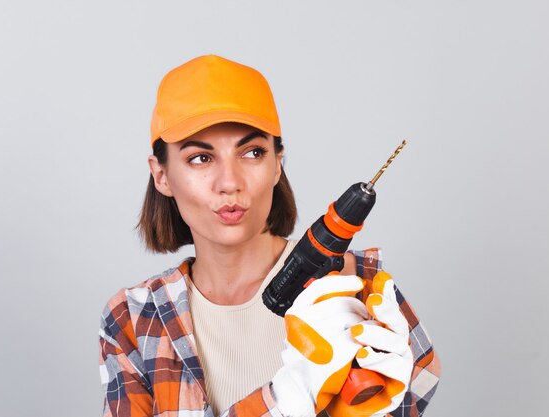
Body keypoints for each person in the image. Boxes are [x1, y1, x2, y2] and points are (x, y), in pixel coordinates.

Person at [98, 55, 440, 417]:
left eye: (252, 152)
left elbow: (418, 388)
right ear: (161, 175)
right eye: (200, 158)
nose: (230, 182)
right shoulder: (135, 319)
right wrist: (289, 397)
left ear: (277, 163)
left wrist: (386, 403)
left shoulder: (360, 288)